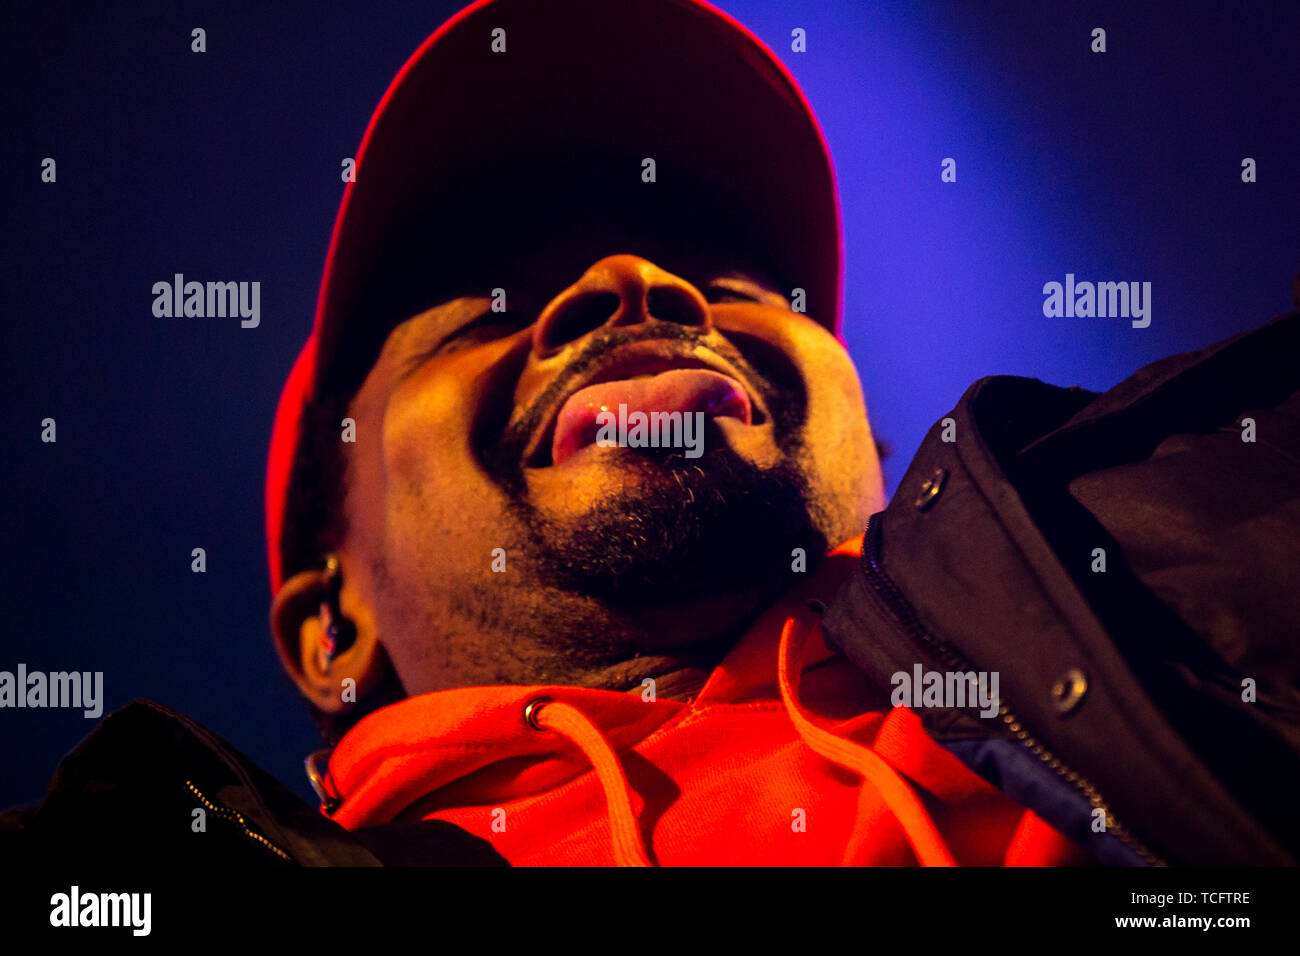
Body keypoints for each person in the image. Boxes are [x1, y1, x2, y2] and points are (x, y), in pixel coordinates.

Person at [4, 0, 1297, 867]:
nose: (634, 280)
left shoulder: (1197, 561)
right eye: (488, 306)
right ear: (329, 625)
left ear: (882, 468)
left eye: (731, 278)